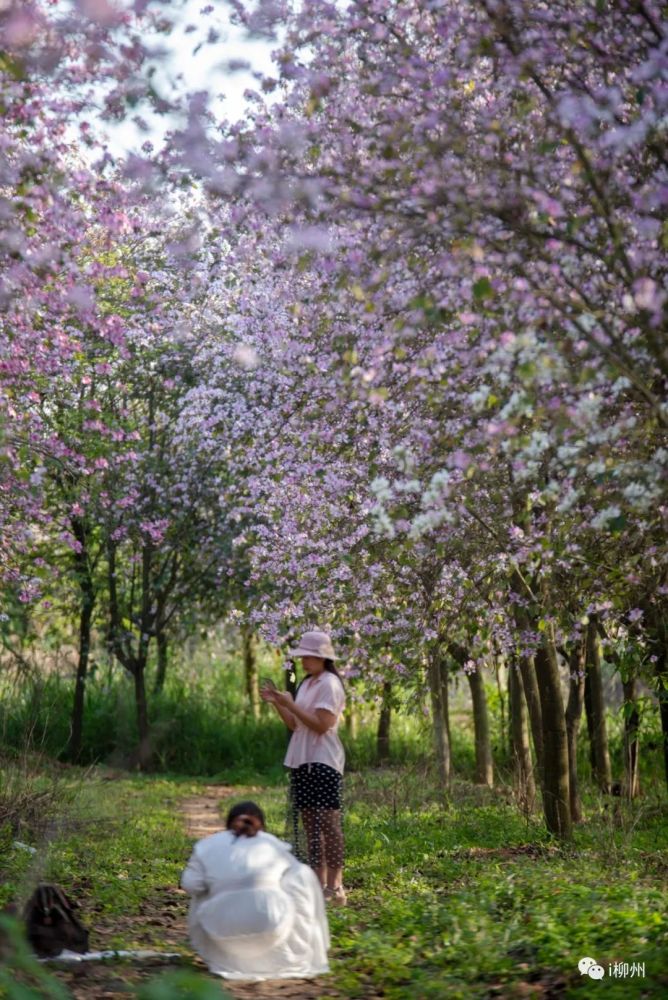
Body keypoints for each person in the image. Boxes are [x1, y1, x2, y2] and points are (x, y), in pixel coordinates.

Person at [181, 800, 330, 981]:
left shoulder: (207, 845)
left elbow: (189, 885)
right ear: (262, 825)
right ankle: (296, 949)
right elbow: (296, 877)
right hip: (273, 928)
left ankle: (224, 958)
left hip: (221, 932)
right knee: (301, 874)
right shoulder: (272, 844)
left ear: (228, 824)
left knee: (202, 890)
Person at [261, 630, 347, 906]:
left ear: (322, 658)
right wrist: (279, 703)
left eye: (309, 656)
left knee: (329, 824)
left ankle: (336, 886)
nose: (304, 661)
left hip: (323, 761)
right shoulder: (308, 685)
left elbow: (322, 724)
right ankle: (316, 883)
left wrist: (290, 704)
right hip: (302, 760)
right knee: (311, 826)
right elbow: (295, 724)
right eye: (302, 656)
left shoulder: (330, 684)